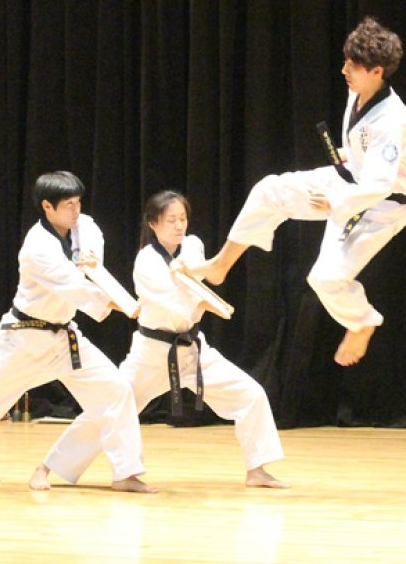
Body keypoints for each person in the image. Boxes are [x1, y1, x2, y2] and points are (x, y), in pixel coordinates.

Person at [189, 16, 406, 366]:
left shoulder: (392, 120)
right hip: (348, 180)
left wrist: (336, 201)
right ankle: (222, 264)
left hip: (379, 206)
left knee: (325, 277)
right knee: (269, 190)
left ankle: (363, 322)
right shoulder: (358, 90)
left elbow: (380, 184)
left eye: (353, 66)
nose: (344, 70)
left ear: (377, 72)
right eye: (346, 61)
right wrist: (350, 155)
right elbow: (364, 151)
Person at [0, 171, 156, 495]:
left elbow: (92, 236)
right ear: (47, 207)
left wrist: (91, 256)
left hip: (64, 338)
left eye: (78, 203)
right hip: (22, 339)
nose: (75, 210)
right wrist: (115, 301)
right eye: (68, 205)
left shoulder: (82, 226)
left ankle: (126, 472)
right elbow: (72, 287)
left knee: (116, 390)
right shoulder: (36, 247)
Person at [37, 190, 287, 489]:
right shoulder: (146, 262)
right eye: (171, 220)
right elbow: (178, 301)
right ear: (154, 224)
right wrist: (205, 304)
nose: (180, 226)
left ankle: (257, 469)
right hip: (152, 353)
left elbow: (195, 281)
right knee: (112, 406)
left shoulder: (192, 245)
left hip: (193, 348)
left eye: (183, 219)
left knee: (250, 393)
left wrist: (196, 286)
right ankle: (51, 467)